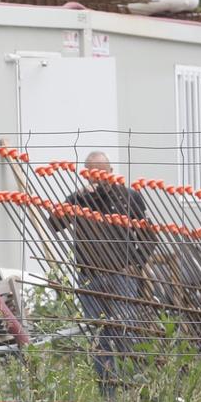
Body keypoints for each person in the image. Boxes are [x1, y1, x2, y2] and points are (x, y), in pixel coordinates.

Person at [54, 151, 154, 389]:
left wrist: (136, 263)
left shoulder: (129, 197)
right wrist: (72, 202)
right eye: (91, 173)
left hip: (122, 275)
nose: (96, 179)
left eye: (100, 172)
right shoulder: (79, 200)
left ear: (110, 171)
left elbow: (150, 236)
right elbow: (54, 224)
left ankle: (133, 386)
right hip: (89, 277)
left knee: (124, 331)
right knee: (99, 337)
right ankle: (107, 391)